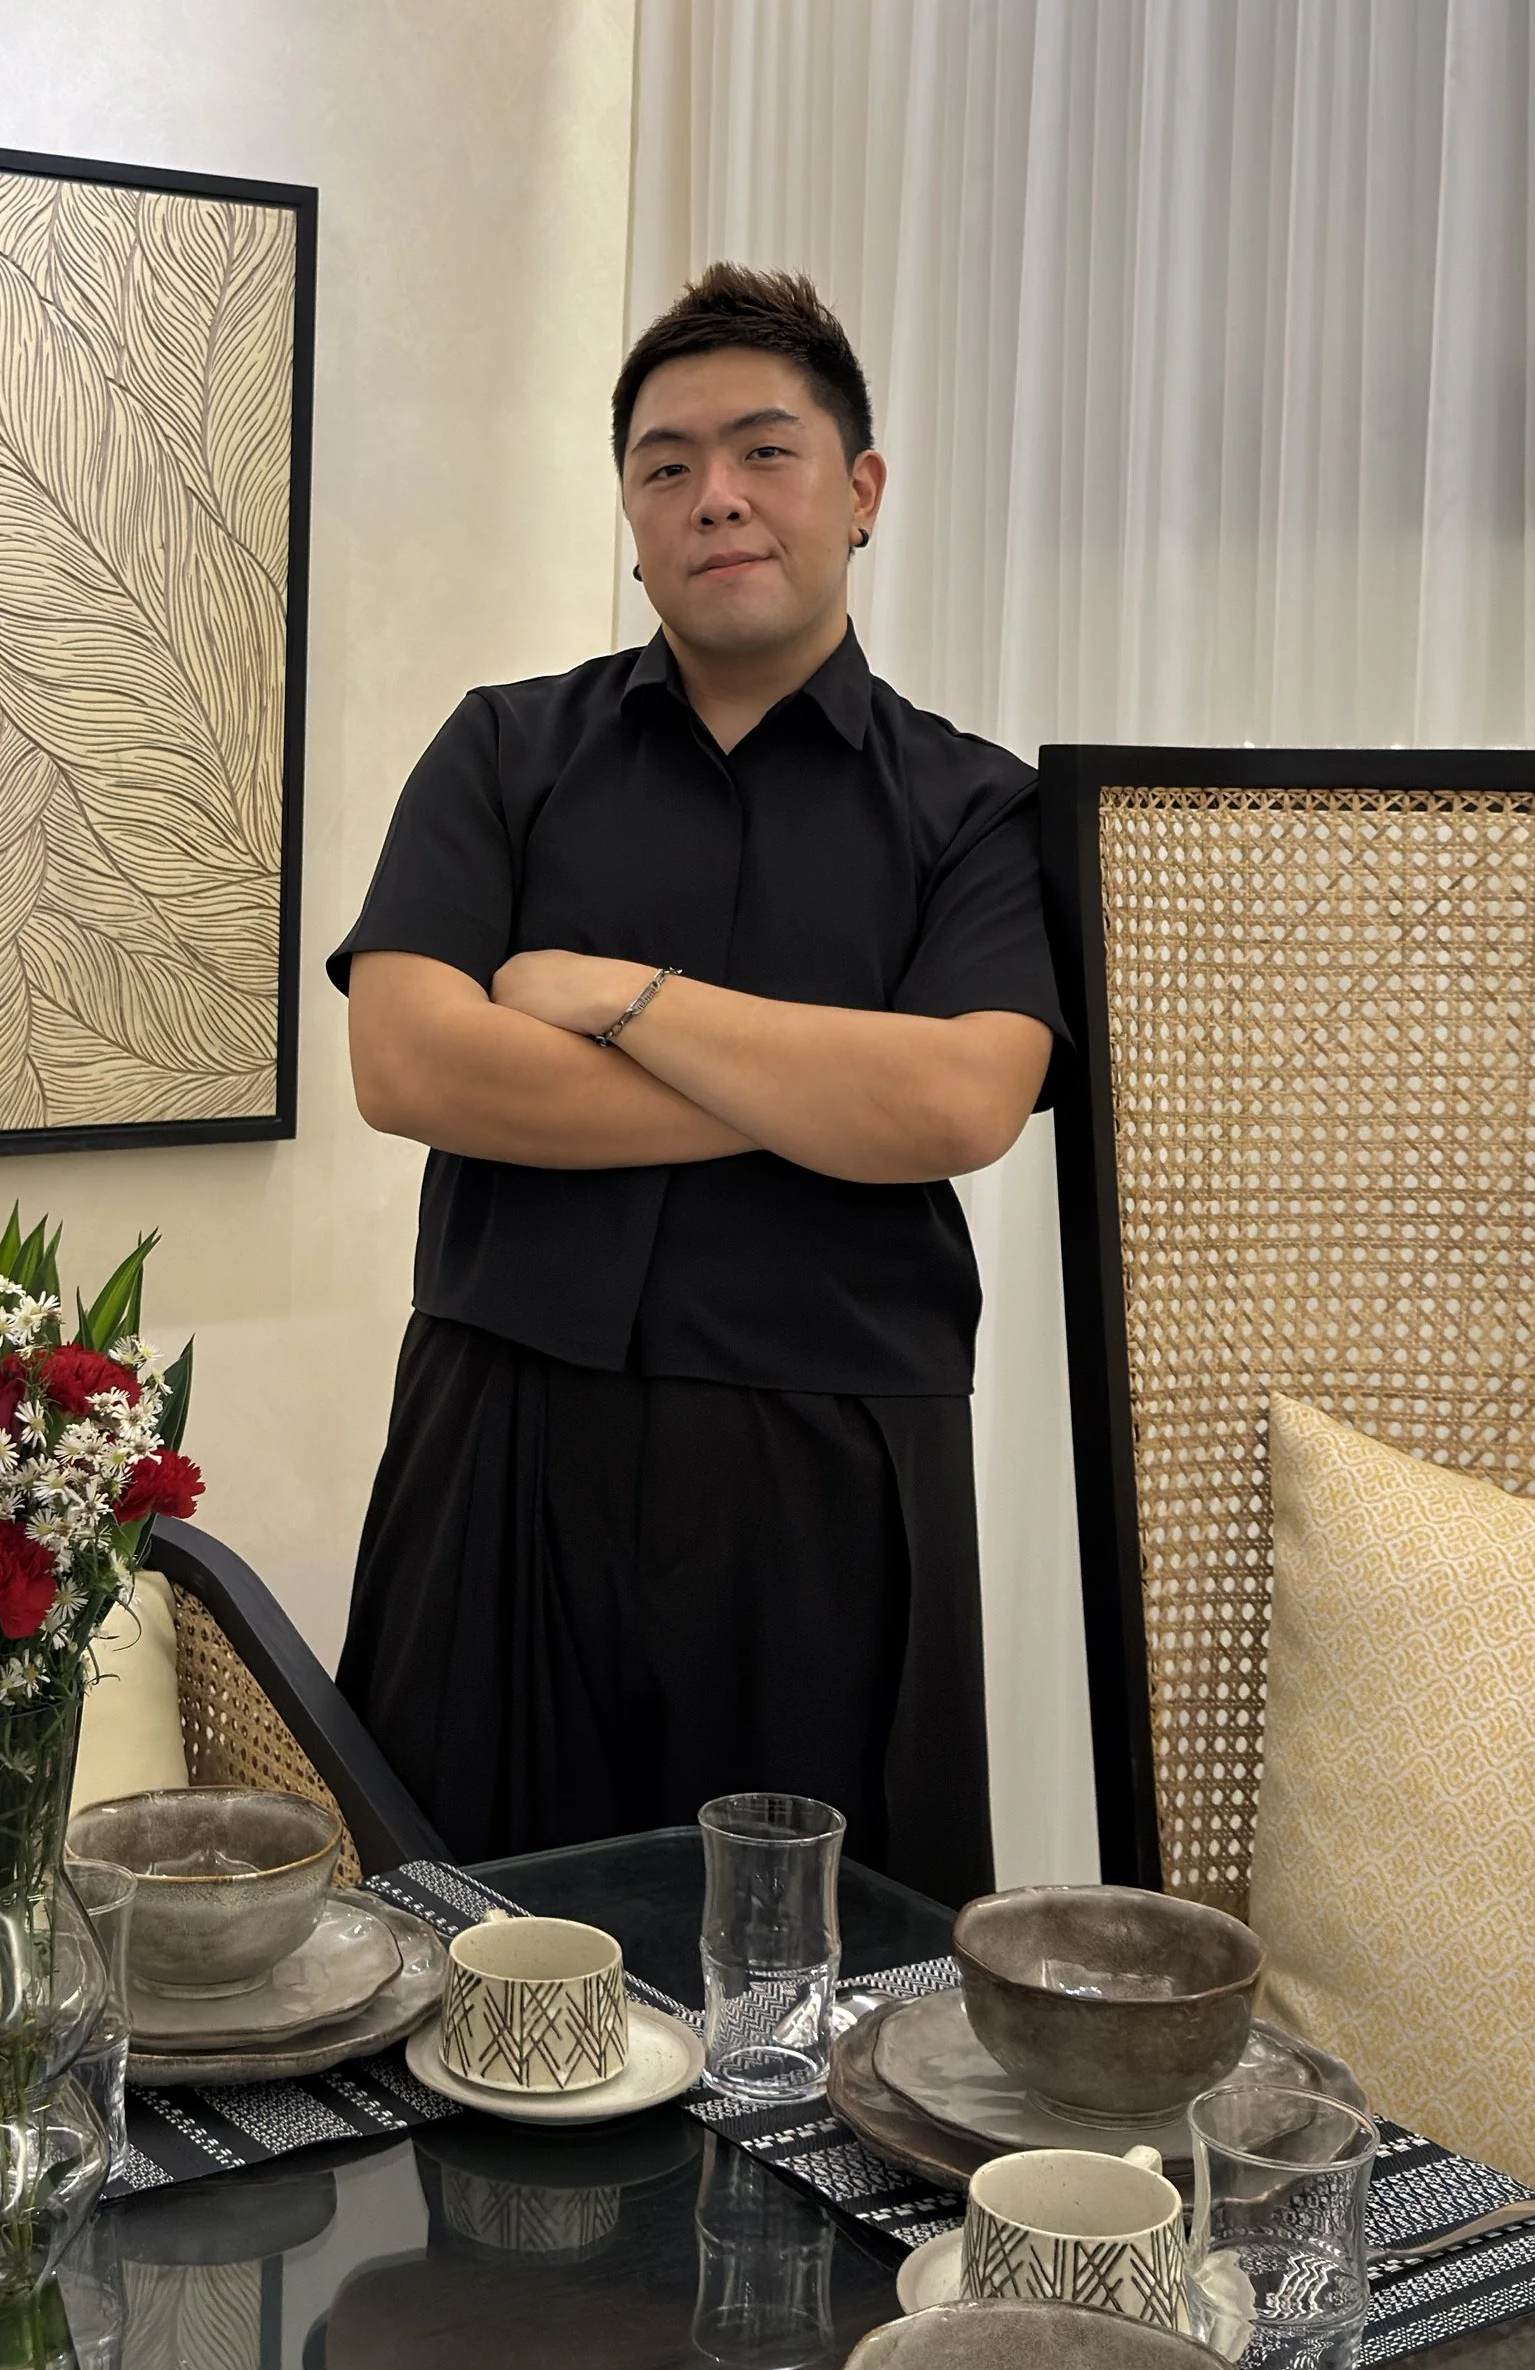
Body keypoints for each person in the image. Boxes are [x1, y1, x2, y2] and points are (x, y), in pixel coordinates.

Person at [327, 265, 1064, 1902]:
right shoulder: (504, 752)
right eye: (665, 466)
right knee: (462, 1952)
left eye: (764, 451)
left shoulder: (979, 810)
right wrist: (820, 1090)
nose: (713, 497)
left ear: (862, 491)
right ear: (632, 514)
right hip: (502, 1439)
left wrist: (621, 999)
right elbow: (405, 1060)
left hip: (829, 1474)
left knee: (817, 2007)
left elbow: (959, 1110)